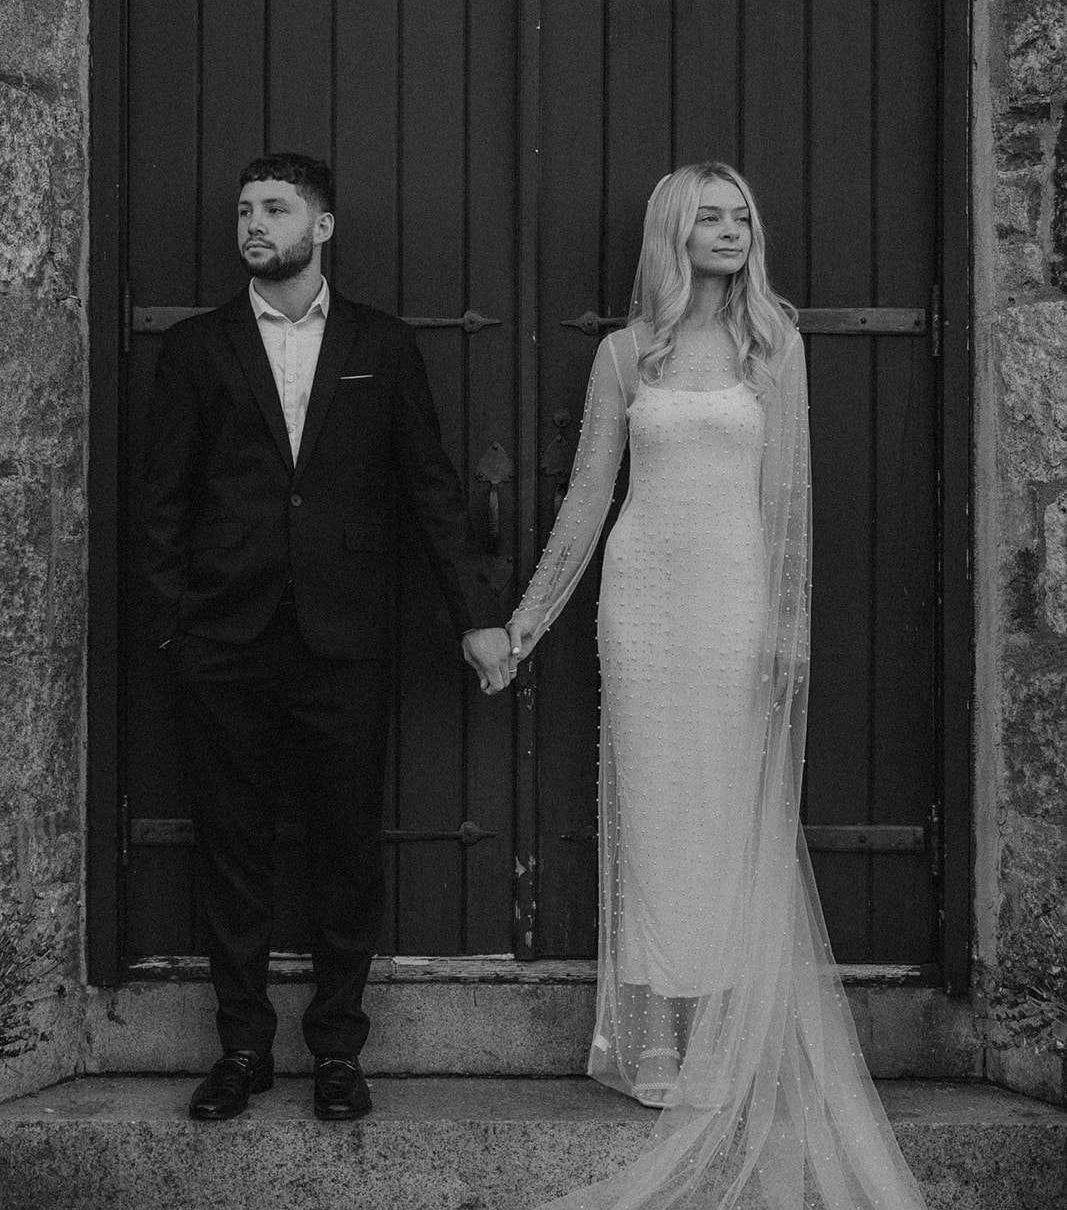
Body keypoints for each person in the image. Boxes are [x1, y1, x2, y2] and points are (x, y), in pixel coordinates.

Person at [506, 163, 928, 1210]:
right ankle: (655, 1041)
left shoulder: (773, 344)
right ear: (671, 231)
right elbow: (588, 498)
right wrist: (525, 620)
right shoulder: (624, 352)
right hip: (641, 603)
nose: (731, 229)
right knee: (651, 813)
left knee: (726, 816)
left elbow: (786, 501)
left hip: (734, 601)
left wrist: (786, 625)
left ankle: (724, 1044)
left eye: (741, 215)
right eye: (710, 215)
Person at [141, 153, 511, 1123]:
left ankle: (339, 1052)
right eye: (243, 211)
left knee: (346, 846)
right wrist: (176, 620)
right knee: (233, 846)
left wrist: (476, 613)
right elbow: (160, 505)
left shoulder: (379, 347)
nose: (252, 224)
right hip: (223, 638)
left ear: (323, 224)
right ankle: (241, 1047)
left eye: (274, 207)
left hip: (344, 639)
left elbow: (428, 487)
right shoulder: (195, 349)